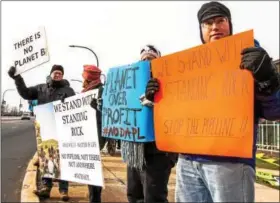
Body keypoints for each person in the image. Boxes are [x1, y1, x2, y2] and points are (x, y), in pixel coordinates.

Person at [145, 2, 280, 202]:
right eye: (208, 23)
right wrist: (157, 96)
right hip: (188, 161)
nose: (214, 27)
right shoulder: (186, 68)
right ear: (201, 30)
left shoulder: (253, 58)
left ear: (229, 25)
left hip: (230, 163)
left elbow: (274, 112)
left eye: (220, 21)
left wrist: (267, 79)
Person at [8, 64, 75, 201]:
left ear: (63, 75)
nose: (57, 75)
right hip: (45, 128)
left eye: (60, 73)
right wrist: (17, 78)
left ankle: (64, 190)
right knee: (47, 158)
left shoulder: (69, 90)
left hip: (63, 129)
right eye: (55, 72)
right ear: (51, 74)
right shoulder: (40, 88)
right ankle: (46, 188)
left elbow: (76, 106)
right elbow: (25, 93)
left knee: (63, 159)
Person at [121, 45, 177, 203]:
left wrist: (156, 101)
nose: (147, 62)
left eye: (151, 59)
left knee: (154, 198)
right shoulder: (130, 84)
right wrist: (102, 106)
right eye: (144, 59)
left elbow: (176, 111)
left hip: (158, 153)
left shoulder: (170, 82)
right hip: (135, 151)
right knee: (134, 196)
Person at [82, 64, 106, 203]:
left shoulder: (101, 91)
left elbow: (106, 114)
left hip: (96, 134)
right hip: (88, 133)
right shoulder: (86, 91)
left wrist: (95, 109)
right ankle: (94, 197)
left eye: (85, 77)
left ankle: (95, 199)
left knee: (93, 170)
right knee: (90, 170)